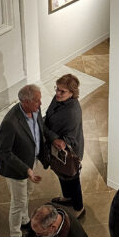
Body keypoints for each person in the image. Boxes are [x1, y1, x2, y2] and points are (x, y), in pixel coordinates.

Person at [0, 84, 48, 237]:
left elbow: (39, 131)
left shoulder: (35, 110)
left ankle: (25, 220)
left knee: (27, 193)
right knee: (18, 202)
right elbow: (4, 152)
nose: (40, 104)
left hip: (31, 162)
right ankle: (15, 235)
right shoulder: (10, 122)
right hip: (16, 170)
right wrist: (26, 170)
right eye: (37, 101)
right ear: (25, 102)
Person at [44, 74, 85, 218]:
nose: (57, 93)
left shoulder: (72, 112)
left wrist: (44, 130)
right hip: (58, 150)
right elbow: (48, 116)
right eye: (57, 89)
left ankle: (79, 207)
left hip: (70, 153)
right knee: (62, 174)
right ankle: (67, 198)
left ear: (72, 93)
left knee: (72, 177)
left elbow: (64, 141)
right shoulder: (58, 99)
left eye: (62, 91)